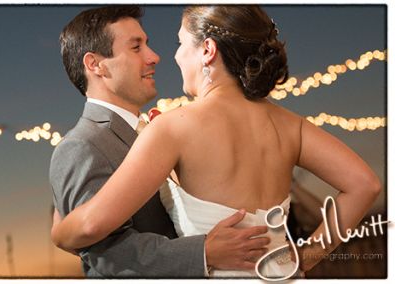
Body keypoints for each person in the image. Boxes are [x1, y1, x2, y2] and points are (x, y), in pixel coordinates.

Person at [51, 5, 382, 278]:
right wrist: (307, 257)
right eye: (138, 47)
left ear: (207, 50)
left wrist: (60, 233)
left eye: (181, 44)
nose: (170, 57)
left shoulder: (172, 127)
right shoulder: (290, 124)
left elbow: (92, 224)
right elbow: (365, 184)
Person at [49, 5, 272, 278]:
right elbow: (106, 254)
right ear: (95, 65)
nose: (154, 57)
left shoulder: (161, 128)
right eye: (135, 47)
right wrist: (203, 253)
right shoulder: (81, 146)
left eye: (147, 45)